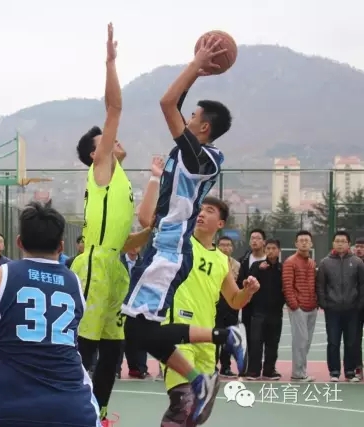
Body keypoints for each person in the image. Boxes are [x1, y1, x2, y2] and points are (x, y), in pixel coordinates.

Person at [121, 36, 248, 423]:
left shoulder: (202, 159)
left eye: (193, 116)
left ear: (203, 126)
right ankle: (200, 376)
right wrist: (197, 73)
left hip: (170, 248)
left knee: (138, 331)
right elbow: (174, 106)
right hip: (165, 246)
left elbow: (166, 103)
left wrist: (196, 63)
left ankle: (224, 340)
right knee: (140, 330)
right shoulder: (194, 150)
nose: (186, 118)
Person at [0, 200, 100, 427]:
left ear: (19, 242)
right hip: (74, 404)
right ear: (61, 246)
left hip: (13, 405)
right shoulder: (73, 281)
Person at [71, 23, 134, 423]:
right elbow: (114, 109)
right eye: (105, 141)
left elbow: (128, 239)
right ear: (97, 154)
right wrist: (110, 62)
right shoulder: (102, 169)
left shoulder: (121, 180)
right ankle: (72, 408)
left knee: (113, 348)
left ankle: (101, 411)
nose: (113, 141)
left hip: (116, 266)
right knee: (86, 346)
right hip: (96, 265)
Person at [159, 198, 254, 427]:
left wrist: (248, 291)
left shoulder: (222, 260)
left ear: (220, 223)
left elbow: (234, 300)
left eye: (209, 211)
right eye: (199, 210)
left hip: (206, 339)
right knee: (182, 403)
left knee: (195, 415)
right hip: (177, 333)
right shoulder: (181, 243)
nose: (201, 214)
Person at [316, 231, 364, 382]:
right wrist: (324, 303)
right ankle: (334, 372)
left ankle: (350, 371)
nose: (340, 244)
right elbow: (320, 286)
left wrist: (359, 303)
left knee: (351, 341)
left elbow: (362, 285)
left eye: (343, 241)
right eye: (337, 241)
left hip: (352, 309)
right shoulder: (325, 263)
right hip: (333, 310)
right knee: (333, 341)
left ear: (348, 244)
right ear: (333, 243)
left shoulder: (357, 262)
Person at [245, 239, 285, 380]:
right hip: (258, 311)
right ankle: (253, 371)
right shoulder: (257, 265)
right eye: (268, 248)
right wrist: (258, 270)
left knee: (272, 343)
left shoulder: (282, 268)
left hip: (276, 312)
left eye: (274, 248)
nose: (271, 251)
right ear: (265, 250)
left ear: (279, 251)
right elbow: (248, 282)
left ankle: (269, 370)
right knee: (256, 342)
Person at [282, 230, 317, 382]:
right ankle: (297, 373)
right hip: (299, 308)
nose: (304, 243)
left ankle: (302, 370)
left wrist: (315, 302)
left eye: (306, 240)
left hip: (312, 307)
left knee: (306, 342)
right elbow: (287, 286)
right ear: (296, 243)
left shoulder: (312, 263)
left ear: (311, 244)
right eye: (301, 240)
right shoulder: (290, 262)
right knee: (300, 341)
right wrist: (294, 305)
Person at [232, 228, 266, 376]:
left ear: (264, 242)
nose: (254, 241)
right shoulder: (243, 260)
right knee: (249, 338)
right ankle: (248, 368)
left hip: (265, 306)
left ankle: (266, 368)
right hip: (247, 305)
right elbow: (238, 282)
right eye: (252, 238)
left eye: (258, 238)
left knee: (265, 339)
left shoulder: (270, 260)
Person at [118, 246, 148, 379]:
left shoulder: (145, 263)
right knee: (118, 339)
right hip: (119, 305)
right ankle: (115, 369)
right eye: (132, 244)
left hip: (138, 307)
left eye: (138, 244)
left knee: (139, 338)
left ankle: (138, 368)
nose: (134, 247)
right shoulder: (117, 262)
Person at [214, 235, 241, 377]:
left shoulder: (237, 265)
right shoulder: (212, 262)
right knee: (213, 337)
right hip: (214, 305)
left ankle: (226, 366)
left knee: (229, 338)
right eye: (222, 245)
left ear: (232, 248)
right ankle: (211, 366)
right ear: (217, 247)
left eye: (228, 245)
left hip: (231, 306)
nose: (225, 248)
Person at [354, 237, 364, 380]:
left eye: (362, 247)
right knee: (355, 339)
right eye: (357, 246)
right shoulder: (351, 263)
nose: (359, 249)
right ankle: (358, 368)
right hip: (355, 308)